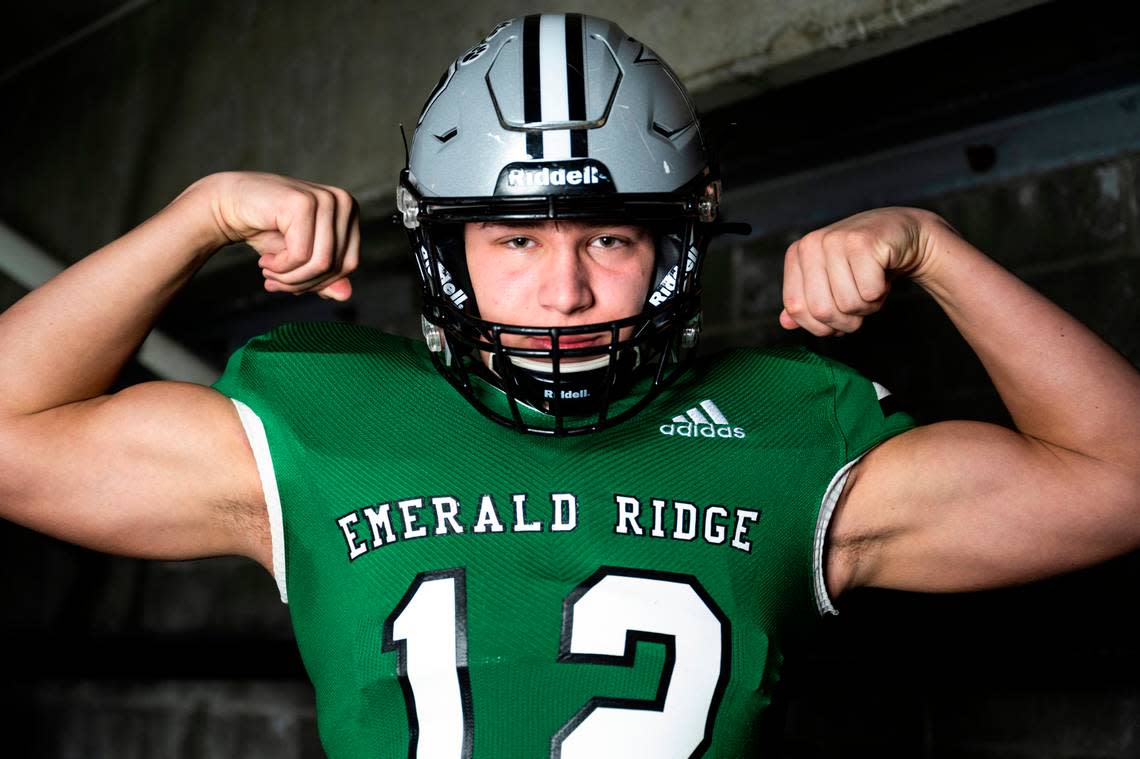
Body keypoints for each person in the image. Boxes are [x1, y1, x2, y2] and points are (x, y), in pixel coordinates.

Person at [0, 12, 1137, 758]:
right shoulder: (318, 425)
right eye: (515, 243)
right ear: (447, 253)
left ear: (677, 246)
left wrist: (935, 249)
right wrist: (193, 217)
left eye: (609, 240)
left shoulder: (786, 430)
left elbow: (1119, 482)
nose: (564, 292)